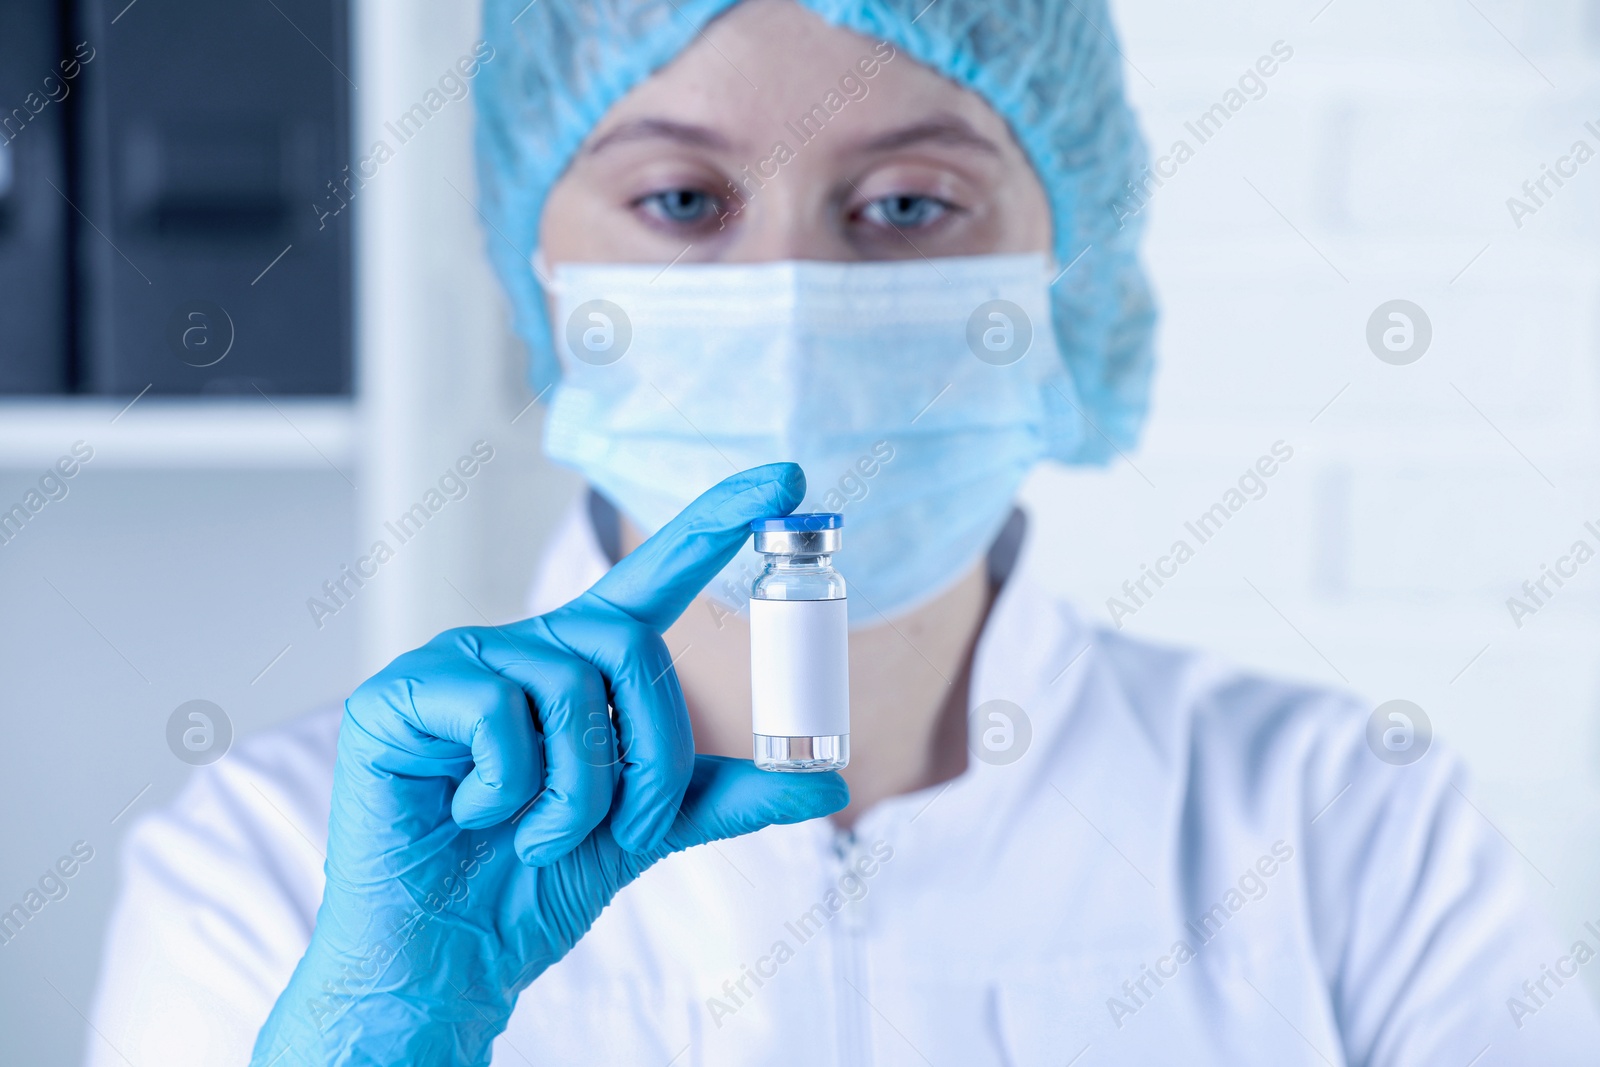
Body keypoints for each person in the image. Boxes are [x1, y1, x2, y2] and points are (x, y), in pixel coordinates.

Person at [87, 1, 1600, 1064]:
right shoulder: (284, 874)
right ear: (532, 260)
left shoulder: (1338, 830)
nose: (792, 300)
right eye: (681, 198)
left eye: (905, 207)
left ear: (1063, 266)